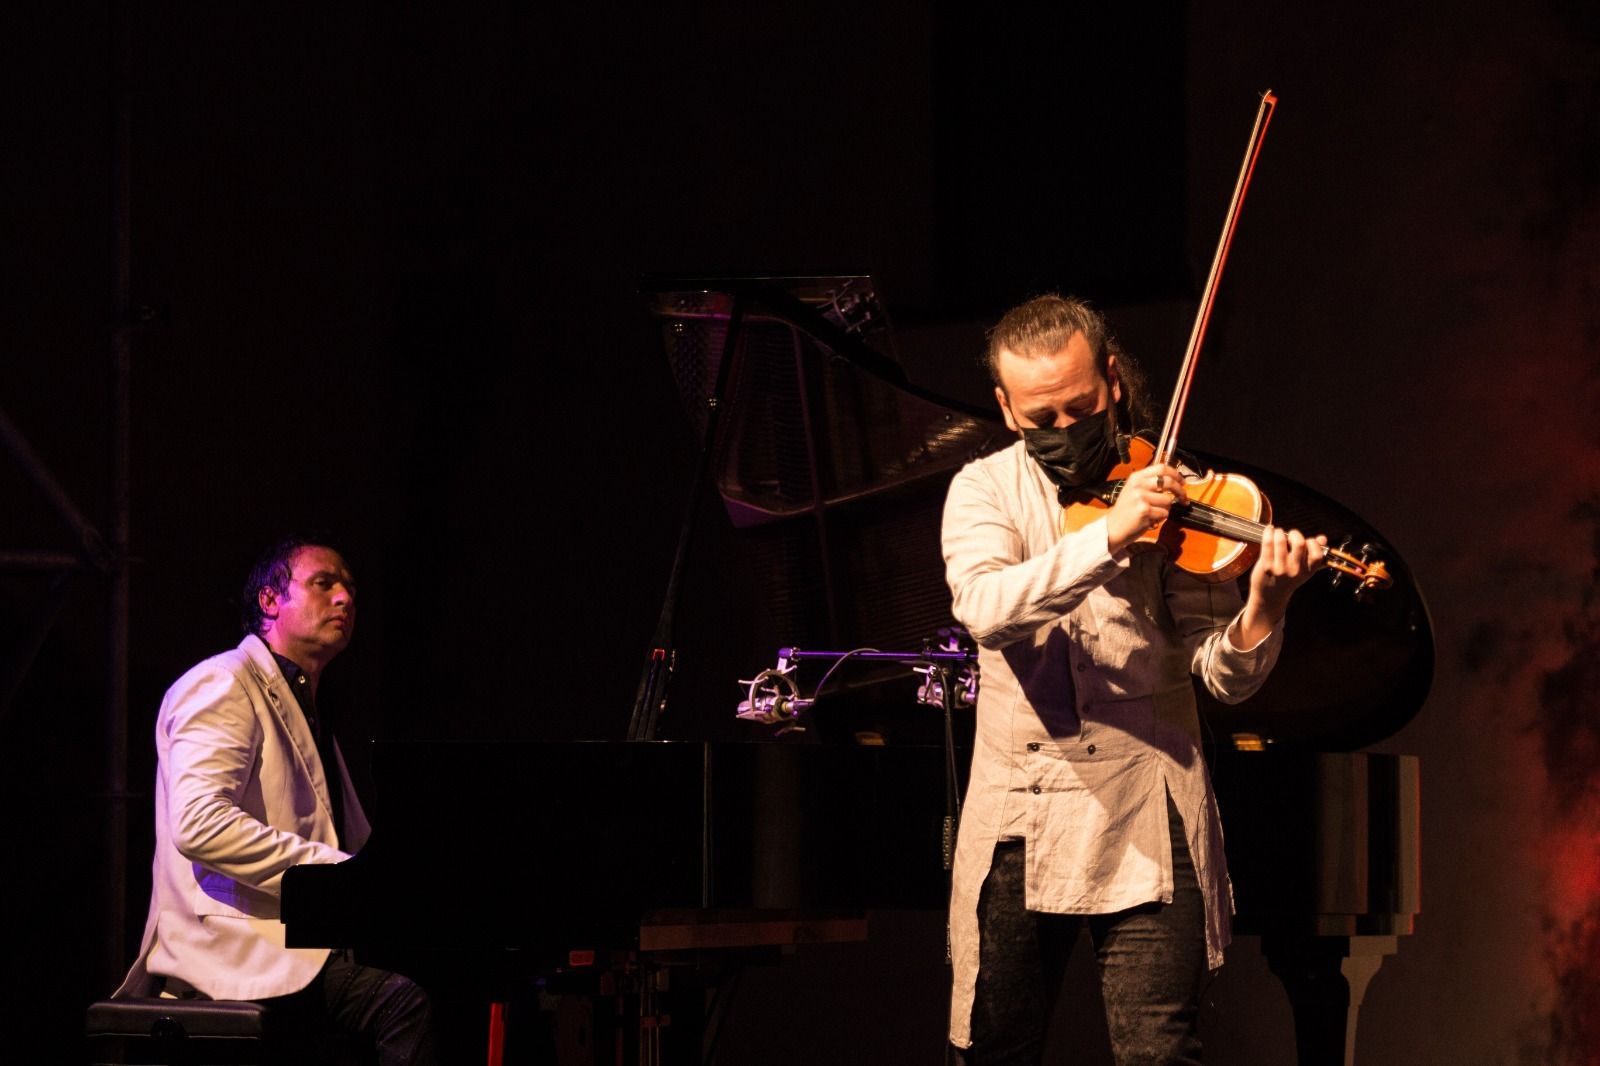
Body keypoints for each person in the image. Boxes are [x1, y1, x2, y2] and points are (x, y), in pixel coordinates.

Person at [942, 295, 1326, 1065]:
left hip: (1148, 807)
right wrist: (1110, 538)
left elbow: (1223, 675)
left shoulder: (1173, 491)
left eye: (1080, 408)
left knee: (1161, 1052)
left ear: (1112, 382)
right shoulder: (982, 491)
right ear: (1005, 408)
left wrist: (1265, 607)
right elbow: (985, 610)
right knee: (994, 1049)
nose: (1064, 431)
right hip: (1020, 808)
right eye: (1040, 418)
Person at [116, 536, 435, 1065]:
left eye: (350, 589)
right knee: (403, 1005)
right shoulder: (222, 683)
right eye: (324, 583)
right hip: (232, 946)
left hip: (295, 943)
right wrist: (337, 873)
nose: (344, 599)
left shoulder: (307, 710)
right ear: (270, 601)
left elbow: (352, 846)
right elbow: (199, 824)